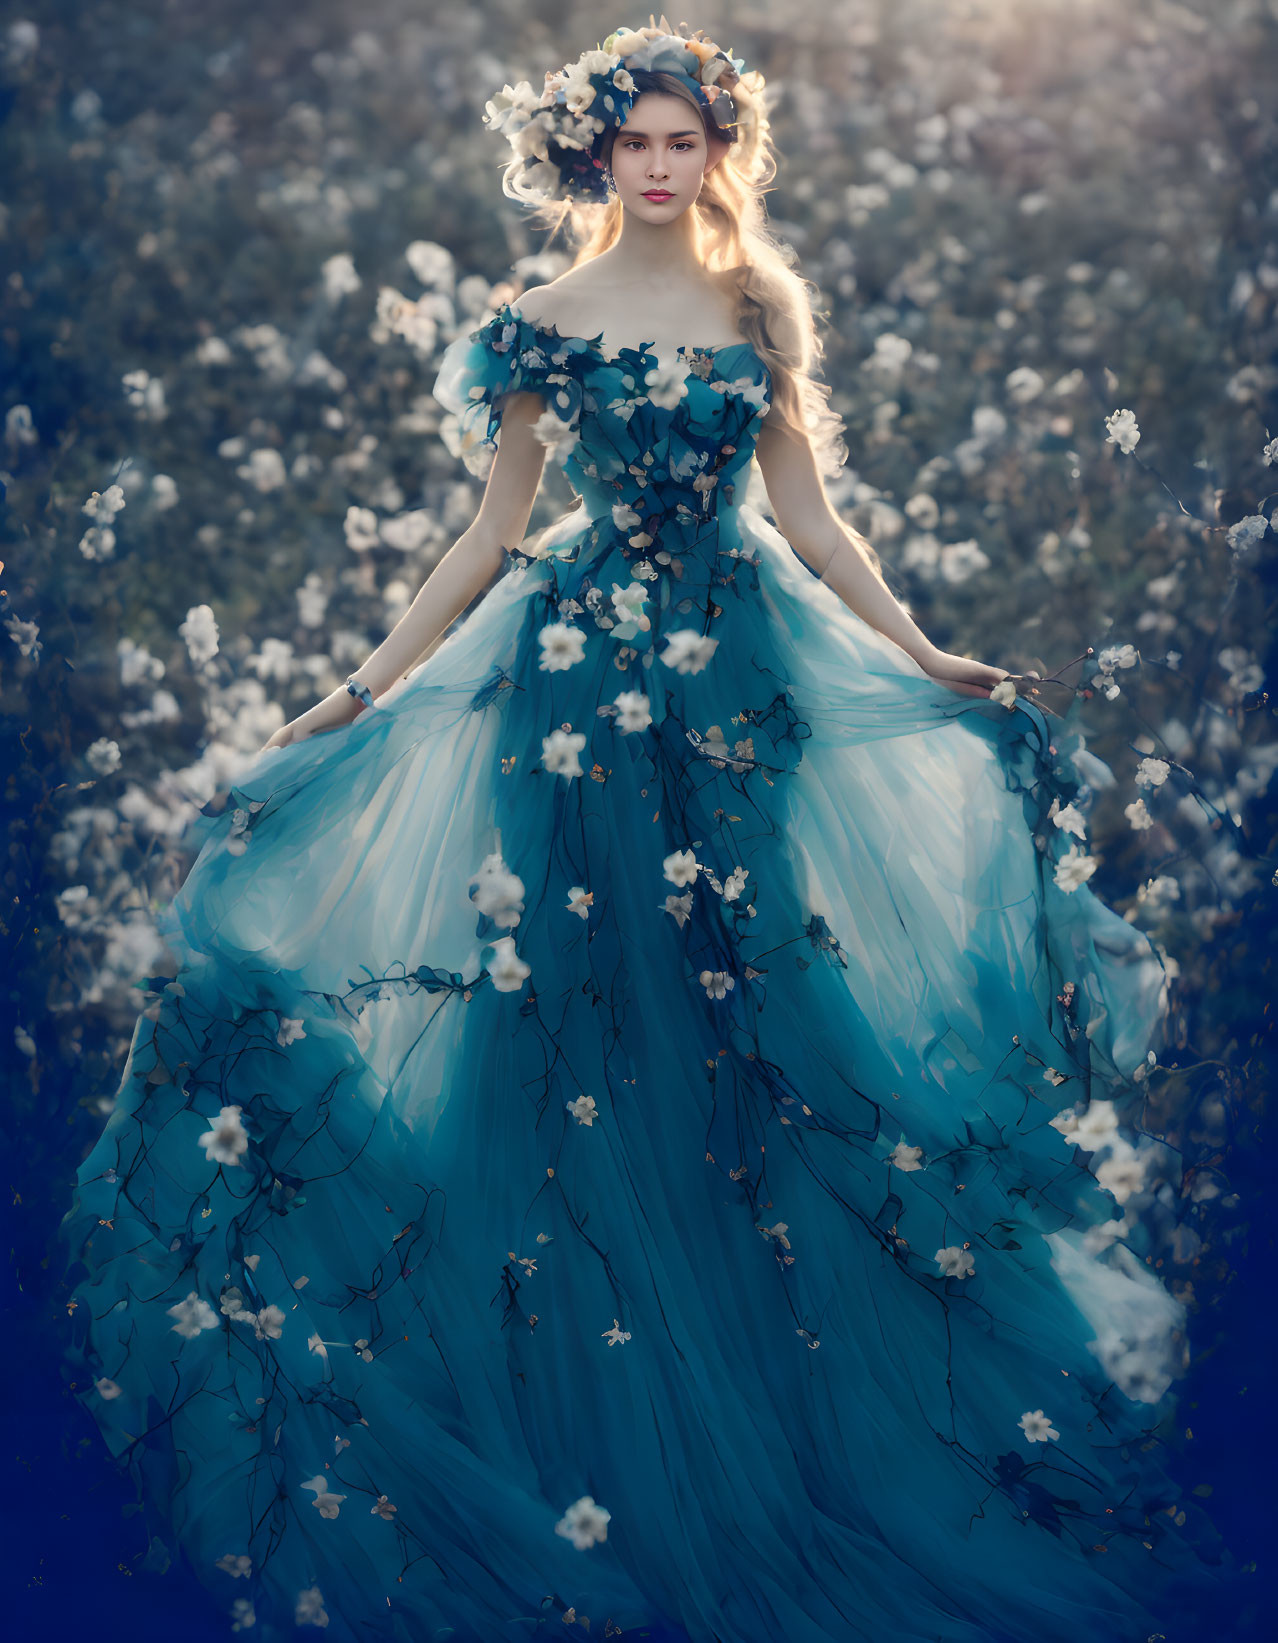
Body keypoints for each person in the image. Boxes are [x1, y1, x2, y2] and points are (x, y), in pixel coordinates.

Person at [62, 18, 1234, 1643]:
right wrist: (356, 690)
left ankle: (789, 1394)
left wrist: (921, 655)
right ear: (597, 158)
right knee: (568, 1022)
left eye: (688, 143)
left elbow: (809, 513)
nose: (664, 167)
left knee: (757, 1006)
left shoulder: (758, 304)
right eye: (638, 144)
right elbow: (492, 533)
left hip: (738, 678)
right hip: (574, 686)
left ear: (719, 153)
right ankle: (574, 1402)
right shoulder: (539, 319)